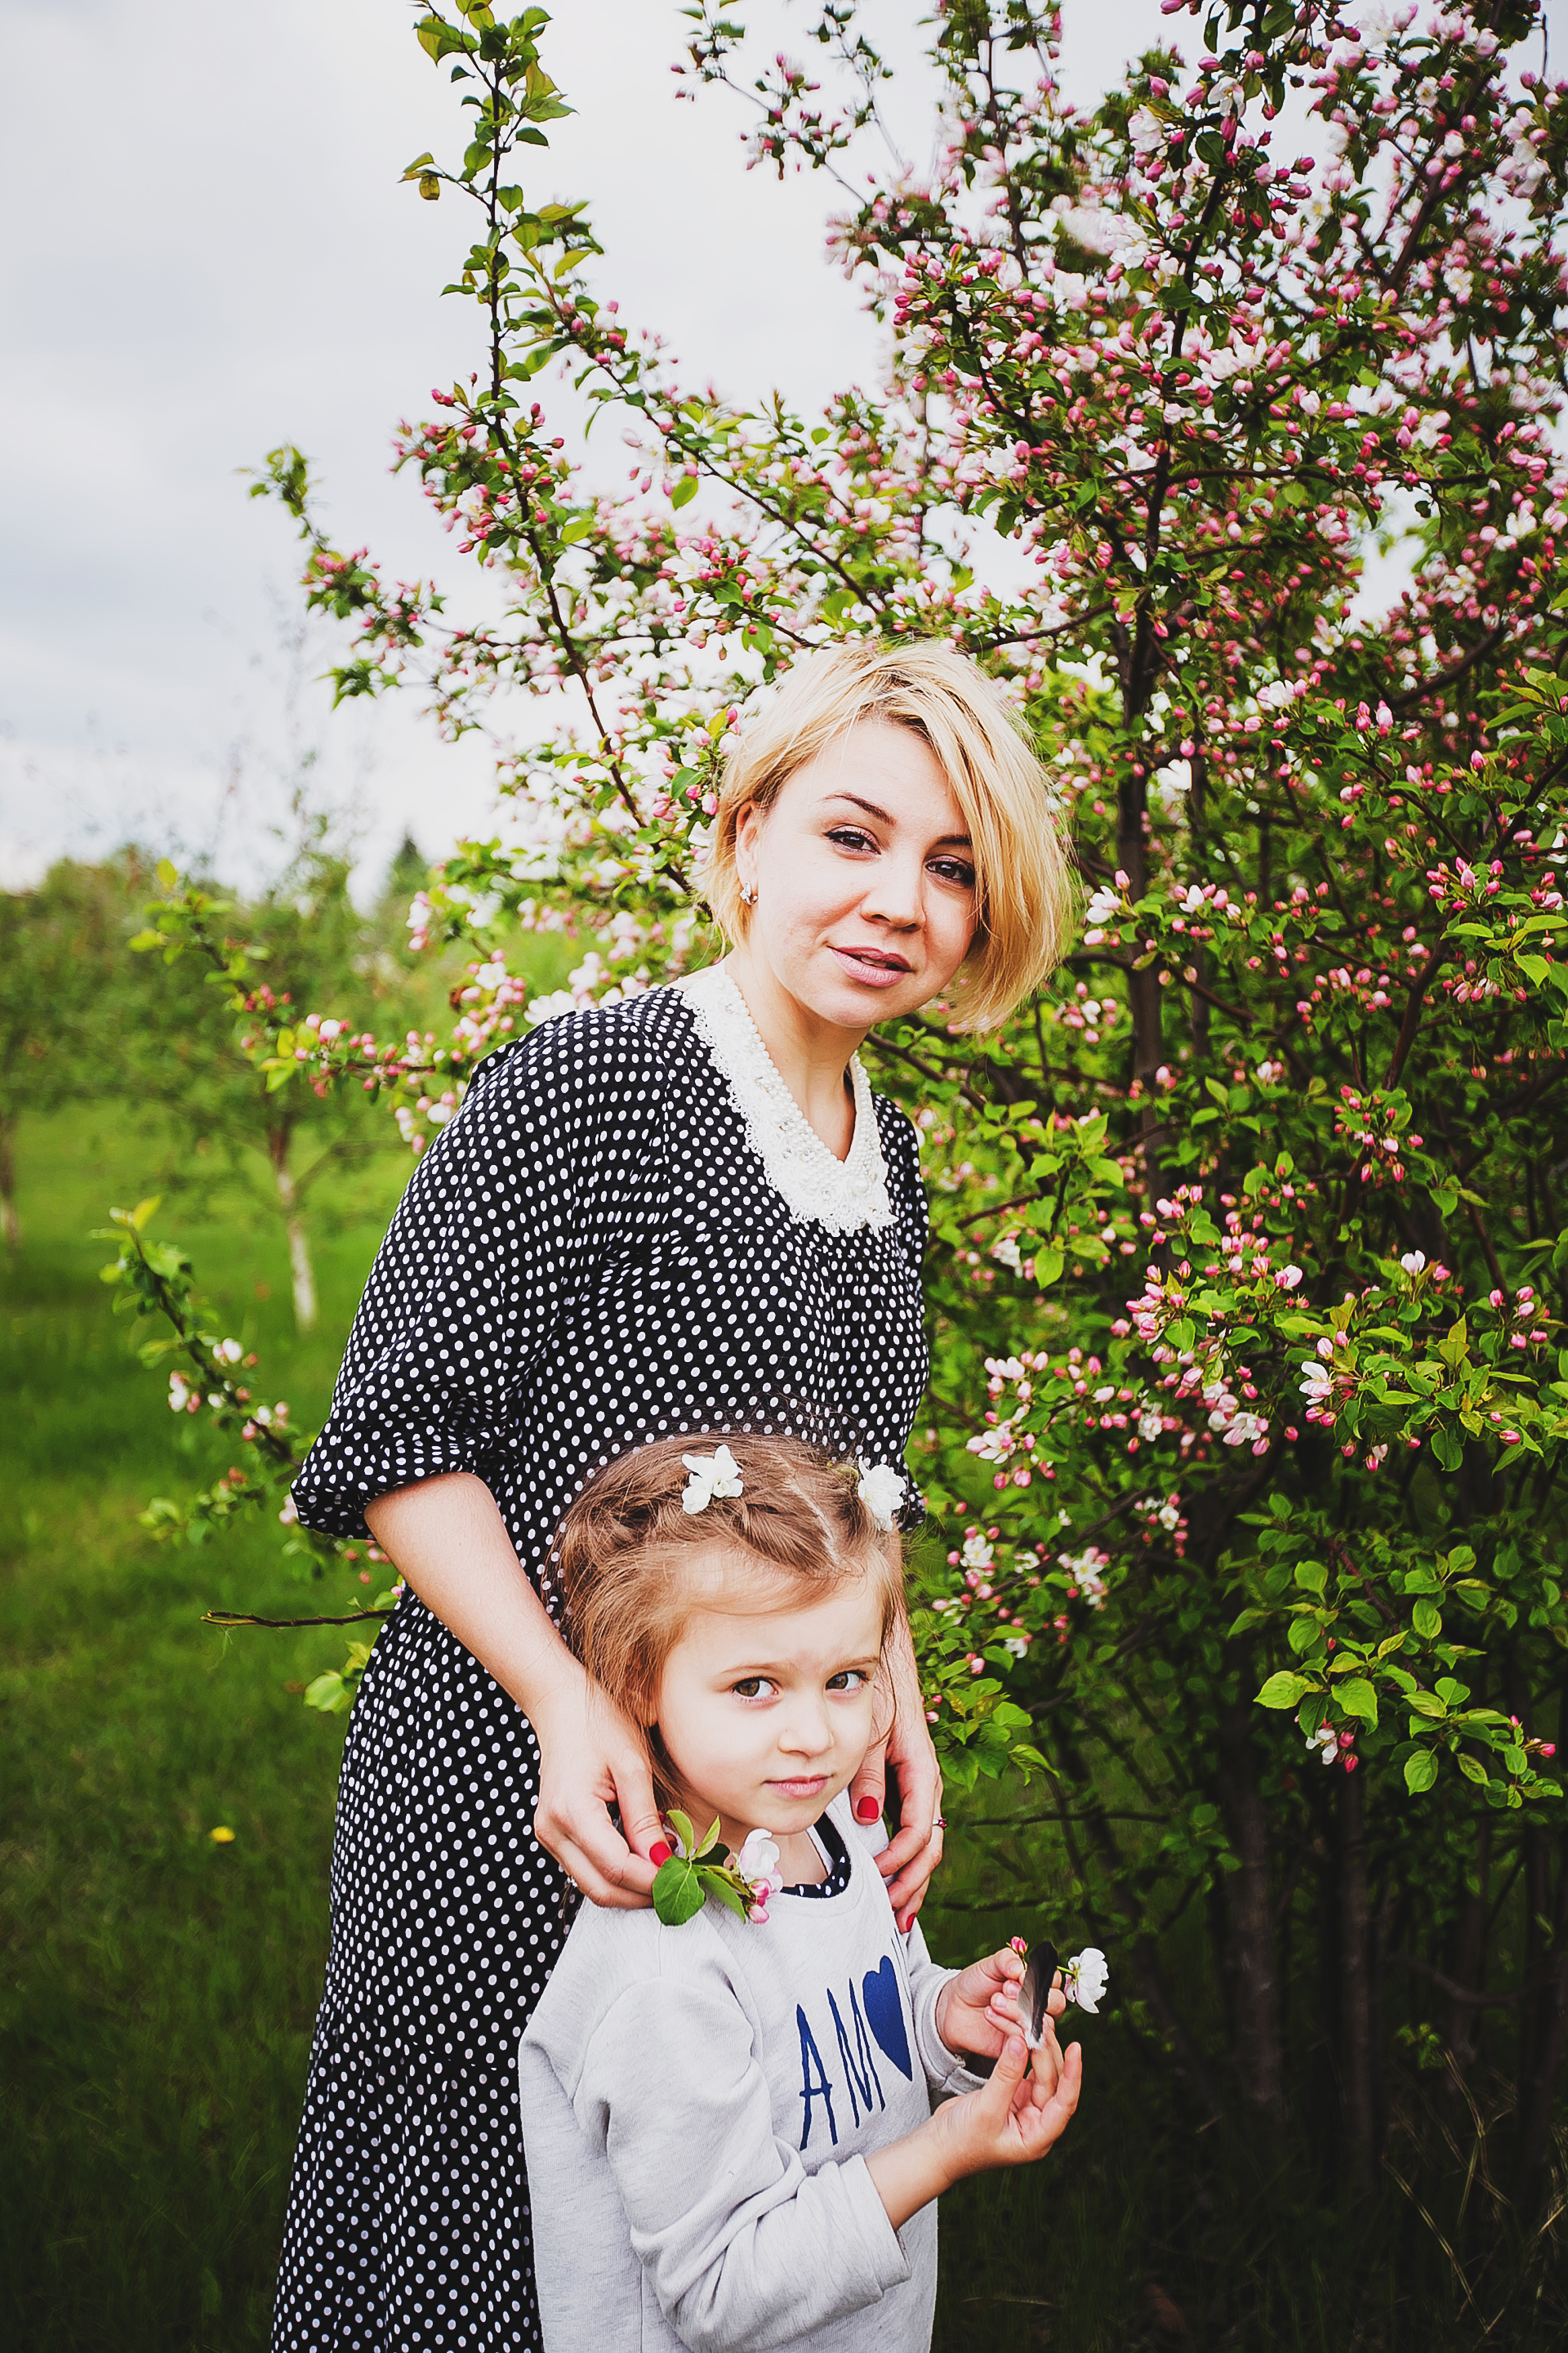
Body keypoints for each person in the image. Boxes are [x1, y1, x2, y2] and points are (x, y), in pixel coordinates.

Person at [272, 639, 1073, 2352]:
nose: (898, 901)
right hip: (518, 1791)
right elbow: (399, 1440)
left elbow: (851, 1498)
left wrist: (892, 1708)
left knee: (725, 2241)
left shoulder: (885, 1149)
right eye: (852, 836)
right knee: (506, 2240)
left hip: (752, 1799)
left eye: (951, 867)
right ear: (748, 833)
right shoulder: (593, 1084)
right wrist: (566, 1701)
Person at [520, 1430, 1082, 2353]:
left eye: (847, 1678)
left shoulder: (835, 1836)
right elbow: (721, 2290)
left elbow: (856, 2023)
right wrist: (944, 2150)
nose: (814, 1735)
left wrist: (943, 2018)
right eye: (755, 1686)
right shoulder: (662, 1975)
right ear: (638, 1684)